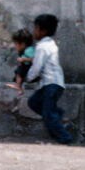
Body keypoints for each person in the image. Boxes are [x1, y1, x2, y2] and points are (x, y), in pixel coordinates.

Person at [24, 14, 75, 144]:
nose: (34, 32)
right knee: (34, 102)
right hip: (53, 83)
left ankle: (65, 137)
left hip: (51, 84)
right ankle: (57, 115)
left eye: (35, 28)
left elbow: (37, 67)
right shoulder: (50, 44)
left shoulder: (42, 47)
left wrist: (28, 77)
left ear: (43, 31)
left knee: (48, 114)